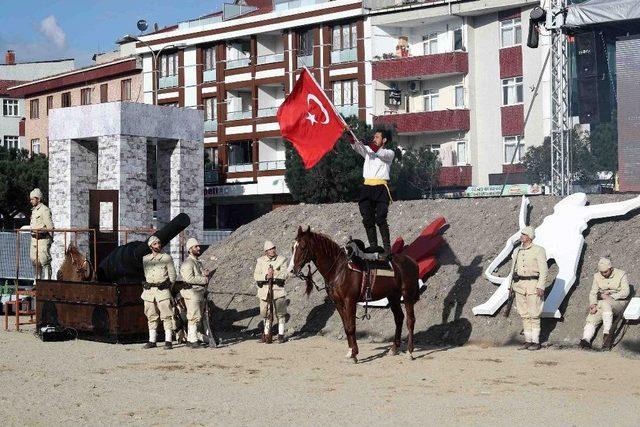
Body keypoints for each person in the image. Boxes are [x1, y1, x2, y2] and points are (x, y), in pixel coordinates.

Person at [349, 129, 395, 256]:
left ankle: (387, 249)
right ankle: (374, 247)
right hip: (367, 187)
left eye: (377, 137)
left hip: (381, 188)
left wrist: (368, 143)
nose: (374, 139)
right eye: (374, 137)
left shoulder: (389, 153)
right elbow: (357, 147)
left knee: (380, 218)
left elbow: (377, 150)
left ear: (384, 140)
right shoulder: (369, 151)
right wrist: (350, 134)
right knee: (367, 218)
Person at [509, 226, 549, 351]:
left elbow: (544, 270)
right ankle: (528, 340)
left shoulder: (539, 250)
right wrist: (510, 286)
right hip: (519, 284)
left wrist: (541, 286)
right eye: (522, 234)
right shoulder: (517, 251)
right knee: (524, 314)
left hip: (533, 284)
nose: (522, 236)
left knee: (534, 313)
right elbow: (513, 269)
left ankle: (536, 342)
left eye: (524, 234)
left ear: (530, 237)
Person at [580, 258, 630, 350]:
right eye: (601, 272)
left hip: (619, 302)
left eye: (605, 272)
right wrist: (593, 305)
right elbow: (593, 292)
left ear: (611, 268)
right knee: (593, 315)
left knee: (605, 304)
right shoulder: (597, 276)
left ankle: (607, 335)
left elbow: (626, 292)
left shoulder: (621, 274)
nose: (603, 274)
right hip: (603, 302)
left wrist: (612, 296)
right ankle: (586, 339)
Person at [141, 236, 177, 349]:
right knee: (151, 316)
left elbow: (172, 276)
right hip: (149, 292)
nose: (158, 245)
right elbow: (146, 273)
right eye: (155, 243)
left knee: (167, 315)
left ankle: (168, 341)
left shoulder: (166, 258)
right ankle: (152, 340)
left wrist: (168, 287)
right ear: (151, 246)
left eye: (159, 243)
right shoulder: (146, 259)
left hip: (163, 290)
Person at [179, 238, 214, 349]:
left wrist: (204, 274)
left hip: (198, 292)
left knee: (196, 316)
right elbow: (189, 278)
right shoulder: (188, 263)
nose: (199, 248)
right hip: (192, 293)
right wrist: (204, 279)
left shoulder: (197, 262)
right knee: (193, 317)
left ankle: (191, 339)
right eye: (196, 247)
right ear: (190, 249)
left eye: (198, 246)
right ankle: (193, 340)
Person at [253, 240, 288, 343]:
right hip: (264, 291)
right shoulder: (260, 261)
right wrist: (266, 276)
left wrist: (274, 275)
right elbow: (256, 275)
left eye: (273, 248)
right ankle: (267, 334)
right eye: (270, 249)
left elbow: (285, 274)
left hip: (278, 290)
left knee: (281, 313)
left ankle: (281, 335)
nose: (272, 251)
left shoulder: (282, 259)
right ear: (266, 251)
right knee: (265, 313)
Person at [29, 188, 54, 280]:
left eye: (32, 199)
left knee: (44, 260)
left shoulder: (45, 210)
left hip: (43, 239)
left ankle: (47, 280)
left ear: (38, 199)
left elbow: (50, 227)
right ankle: (37, 280)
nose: (31, 201)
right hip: (34, 239)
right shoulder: (34, 210)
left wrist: (40, 230)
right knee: (34, 260)